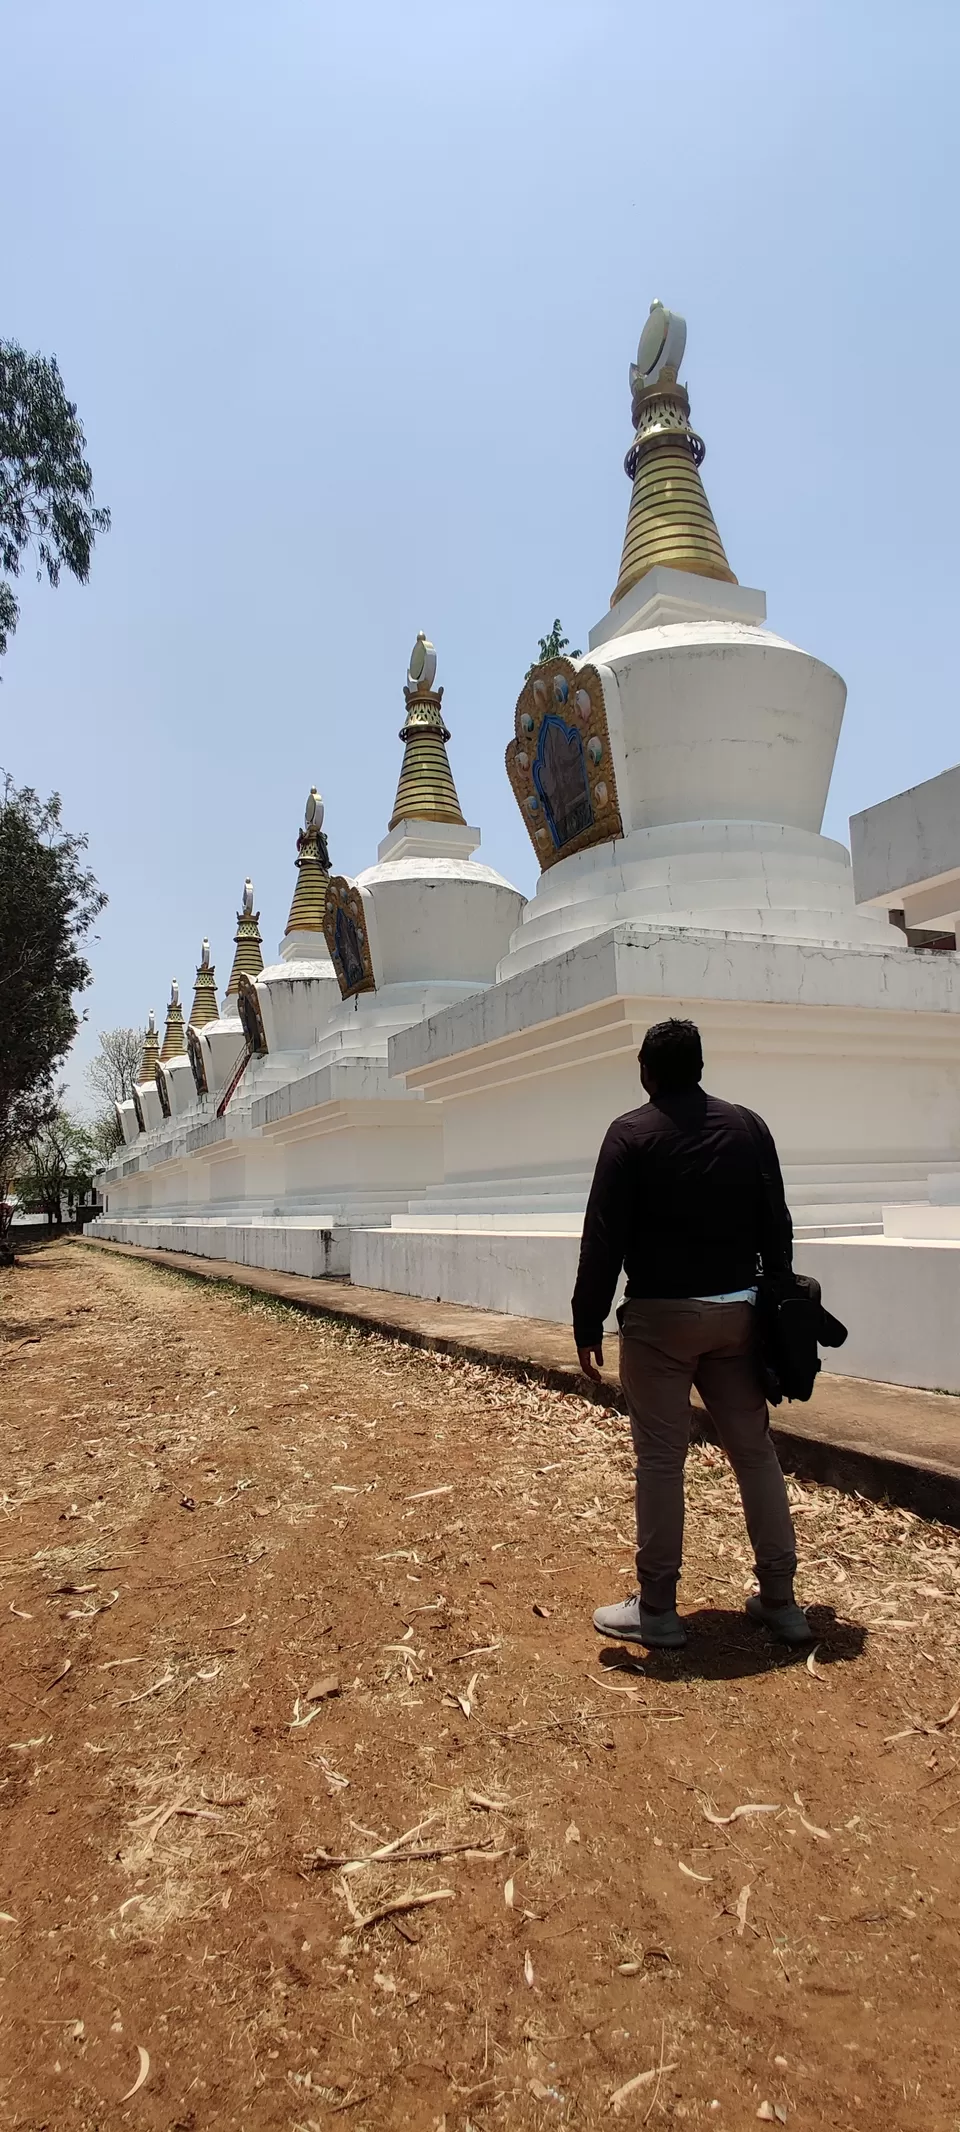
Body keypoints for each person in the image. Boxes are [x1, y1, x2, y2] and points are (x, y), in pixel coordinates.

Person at [572, 1017, 811, 1651]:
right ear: (701, 1068)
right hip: (738, 1314)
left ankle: (658, 1610)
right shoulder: (748, 1126)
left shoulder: (629, 1134)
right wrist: (773, 1298)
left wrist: (586, 1320)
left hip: (659, 1322)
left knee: (661, 1461)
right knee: (754, 1452)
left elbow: (603, 1242)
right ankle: (782, 1602)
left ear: (646, 1073)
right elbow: (776, 1222)